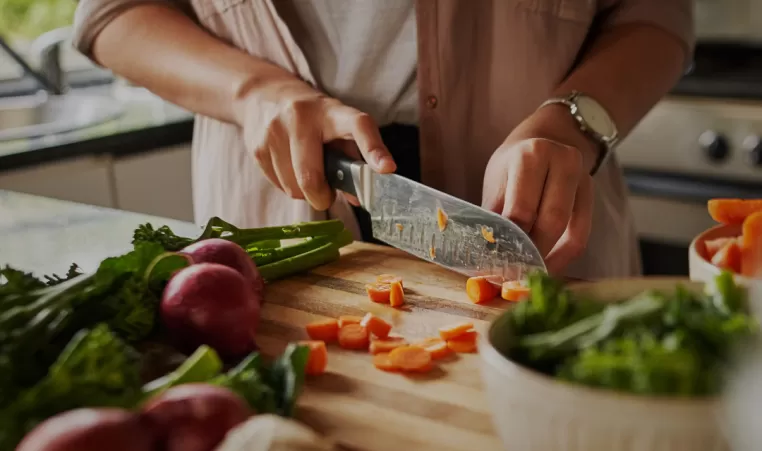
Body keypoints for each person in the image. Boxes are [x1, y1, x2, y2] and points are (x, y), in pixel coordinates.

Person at [72, 1, 693, 279]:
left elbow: (658, 16)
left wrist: (573, 121)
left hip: (544, 214)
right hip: (285, 202)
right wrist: (253, 92)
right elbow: (113, 13)